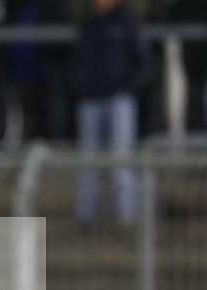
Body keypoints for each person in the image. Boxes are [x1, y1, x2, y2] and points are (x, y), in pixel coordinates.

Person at [73, 0, 149, 228]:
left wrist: (127, 88)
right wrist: (81, 85)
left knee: (121, 160)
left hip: (119, 101)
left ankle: (126, 217)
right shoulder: (88, 24)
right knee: (88, 162)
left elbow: (144, 61)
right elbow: (77, 61)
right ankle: (87, 217)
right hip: (90, 100)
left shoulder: (126, 22)